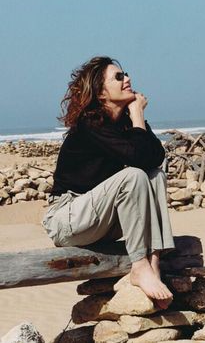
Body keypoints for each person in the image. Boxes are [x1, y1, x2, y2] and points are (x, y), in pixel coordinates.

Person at [42, 56, 175, 309]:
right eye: (118, 77)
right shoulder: (90, 125)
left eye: (126, 74)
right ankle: (139, 266)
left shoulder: (125, 123)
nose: (127, 79)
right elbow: (136, 158)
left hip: (100, 218)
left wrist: (136, 116)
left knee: (154, 174)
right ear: (100, 93)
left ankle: (153, 261)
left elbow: (155, 157)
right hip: (68, 219)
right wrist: (138, 113)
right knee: (134, 175)